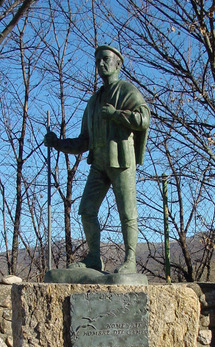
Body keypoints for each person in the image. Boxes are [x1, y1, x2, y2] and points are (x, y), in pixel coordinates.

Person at [44, 45, 150, 274]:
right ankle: (94, 258)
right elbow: (83, 141)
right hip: (99, 163)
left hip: (121, 160)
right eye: (98, 61)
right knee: (86, 210)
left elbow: (144, 119)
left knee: (127, 212)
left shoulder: (127, 91)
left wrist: (116, 115)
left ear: (117, 64)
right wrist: (57, 143)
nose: (101, 64)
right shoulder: (93, 102)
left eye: (105, 59)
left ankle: (130, 259)